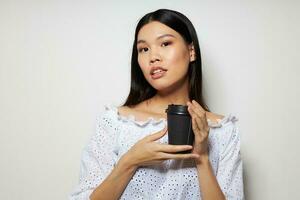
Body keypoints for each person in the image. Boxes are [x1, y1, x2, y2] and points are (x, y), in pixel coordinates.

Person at [69, 8, 244, 200]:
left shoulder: (223, 131)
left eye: (165, 43)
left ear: (191, 51)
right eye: (144, 49)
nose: (153, 57)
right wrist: (130, 161)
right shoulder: (115, 123)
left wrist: (201, 157)